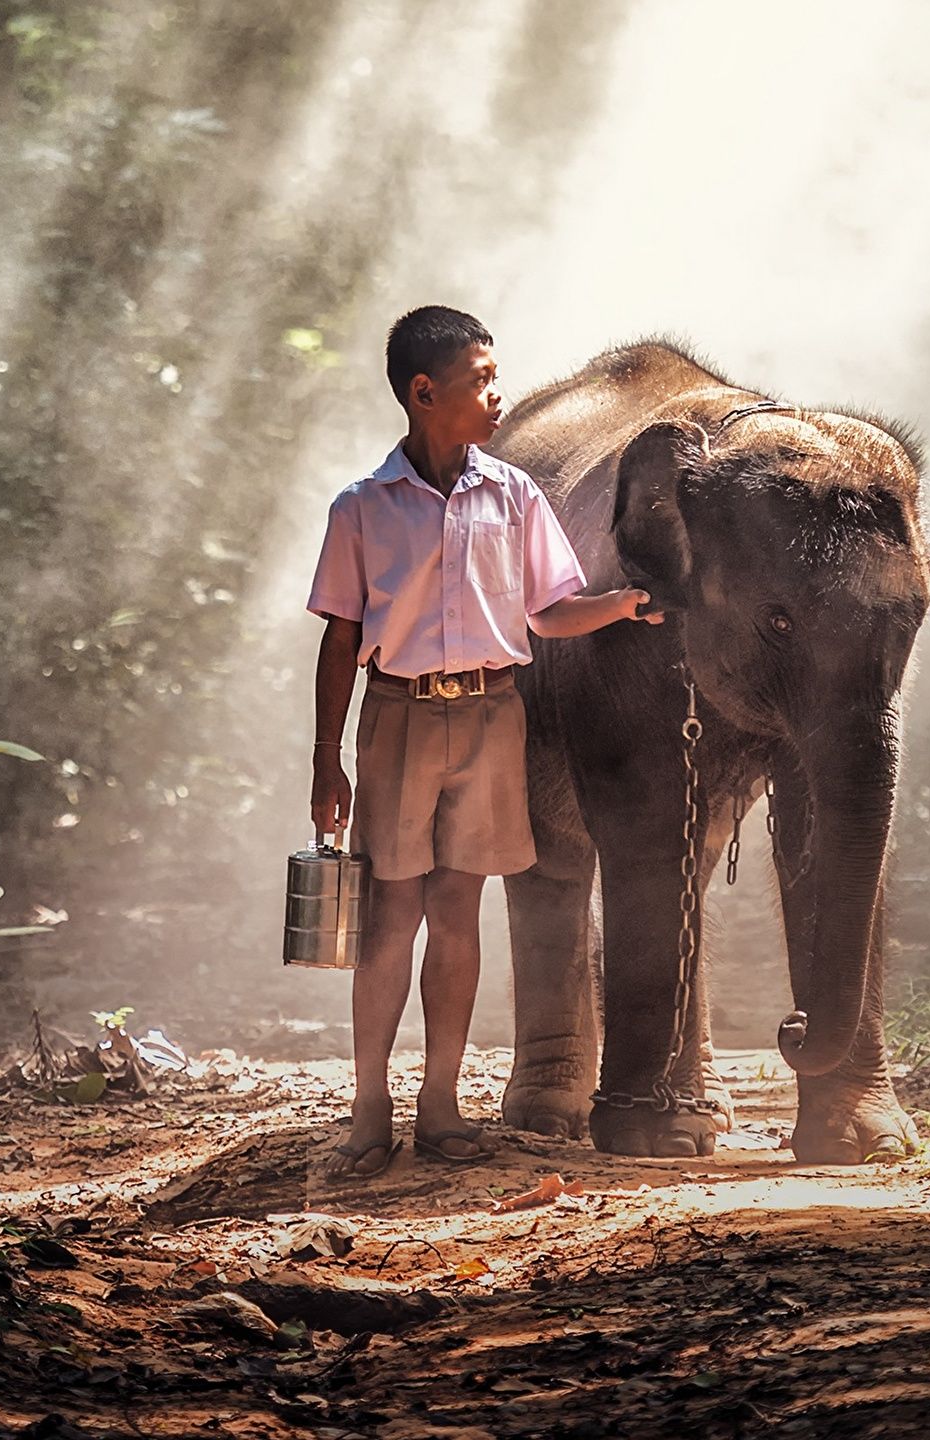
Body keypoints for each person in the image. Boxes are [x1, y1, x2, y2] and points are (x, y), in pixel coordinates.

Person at [305, 305, 663, 1177]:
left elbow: (544, 611)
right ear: (425, 394)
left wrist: (618, 604)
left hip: (494, 714)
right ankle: (368, 1104)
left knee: (456, 910)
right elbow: (341, 638)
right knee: (392, 915)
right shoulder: (363, 508)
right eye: (480, 382)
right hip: (396, 719)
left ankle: (439, 1101)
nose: (497, 396)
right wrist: (326, 755)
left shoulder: (513, 494)